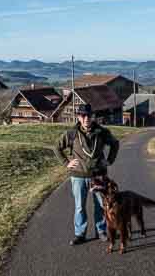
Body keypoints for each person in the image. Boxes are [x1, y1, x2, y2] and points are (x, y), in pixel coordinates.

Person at [54, 103, 120, 246]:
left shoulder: (102, 132)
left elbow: (115, 144)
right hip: (78, 176)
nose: (86, 118)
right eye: (83, 116)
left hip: (99, 176)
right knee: (79, 206)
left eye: (89, 115)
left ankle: (101, 231)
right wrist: (66, 163)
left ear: (93, 116)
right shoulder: (71, 134)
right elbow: (57, 147)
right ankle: (80, 234)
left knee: (101, 205)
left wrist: (109, 161)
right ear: (78, 117)